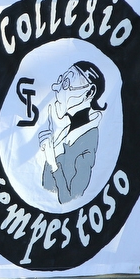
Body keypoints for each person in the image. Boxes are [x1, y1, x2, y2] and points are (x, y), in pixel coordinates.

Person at [38, 61, 105, 203]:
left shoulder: (87, 141)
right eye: (61, 80)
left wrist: (52, 161)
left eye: (66, 82)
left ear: (89, 92)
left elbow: (70, 199)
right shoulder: (64, 130)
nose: (56, 88)